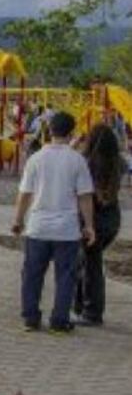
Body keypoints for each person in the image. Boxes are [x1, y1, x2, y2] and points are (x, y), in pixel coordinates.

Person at [12, 111, 96, 334]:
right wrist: (89, 225)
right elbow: (85, 196)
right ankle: (59, 321)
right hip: (66, 229)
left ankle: (30, 317)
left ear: (49, 130)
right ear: (71, 133)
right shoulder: (77, 160)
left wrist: (18, 220)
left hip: (38, 226)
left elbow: (25, 194)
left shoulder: (35, 159)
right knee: (66, 276)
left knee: (32, 274)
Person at [74, 124, 124, 325]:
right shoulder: (119, 163)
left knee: (90, 266)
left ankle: (91, 312)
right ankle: (80, 306)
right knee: (87, 263)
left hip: (91, 219)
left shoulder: (86, 163)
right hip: (112, 220)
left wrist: (74, 143)